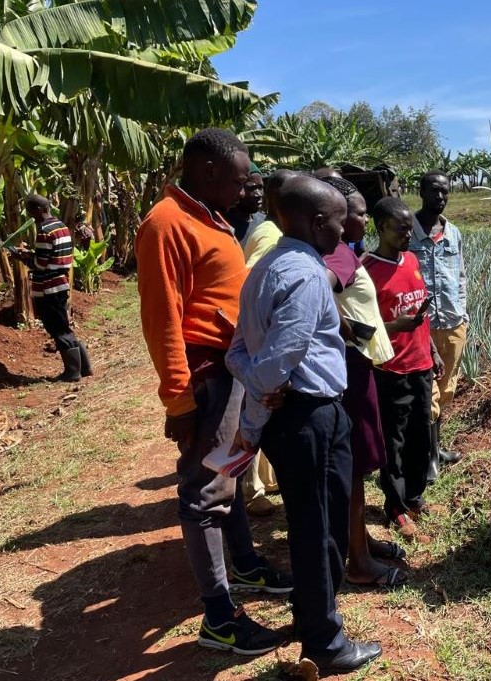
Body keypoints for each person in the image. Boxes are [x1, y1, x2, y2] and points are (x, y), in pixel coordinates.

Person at [136, 128, 290, 656]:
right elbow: (163, 319)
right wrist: (178, 400)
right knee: (205, 493)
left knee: (230, 471)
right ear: (207, 172)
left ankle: (244, 566)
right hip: (208, 376)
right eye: (239, 178)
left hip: (232, 370)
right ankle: (220, 618)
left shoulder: (209, 217)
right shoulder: (166, 224)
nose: (246, 187)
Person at [225, 175, 383, 673]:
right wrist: (264, 381)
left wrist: (255, 379)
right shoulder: (307, 273)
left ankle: (311, 613)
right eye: (339, 223)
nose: (345, 233)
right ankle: (324, 642)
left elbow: (237, 352)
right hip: (309, 416)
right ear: (316, 223)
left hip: (293, 415)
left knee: (312, 522)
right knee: (320, 528)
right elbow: (276, 362)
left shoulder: (264, 268)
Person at [321, 176, 407, 587]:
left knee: (355, 466)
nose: (360, 218)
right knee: (352, 467)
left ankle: (361, 541)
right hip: (351, 369)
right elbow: (315, 288)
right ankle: (358, 562)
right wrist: (340, 325)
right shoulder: (335, 255)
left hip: (356, 365)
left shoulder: (343, 251)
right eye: (355, 212)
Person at [362, 197, 444, 539]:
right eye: (400, 228)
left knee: (419, 435)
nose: (408, 234)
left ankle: (414, 495)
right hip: (389, 368)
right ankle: (395, 507)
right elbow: (361, 325)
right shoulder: (366, 269)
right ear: (381, 228)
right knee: (393, 442)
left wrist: (433, 349)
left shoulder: (410, 259)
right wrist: (397, 326)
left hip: (420, 363)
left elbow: (419, 312)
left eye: (410, 227)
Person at [237, 168, 298, 516]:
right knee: (258, 408)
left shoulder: (275, 230)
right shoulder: (270, 234)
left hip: (265, 340)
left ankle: (262, 481)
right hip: (262, 341)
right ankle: (253, 488)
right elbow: (253, 285)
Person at [409, 171, 467, 482]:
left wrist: (464, 315)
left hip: (453, 322)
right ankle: (428, 455)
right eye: (434, 191)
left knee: (445, 391)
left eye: (445, 192)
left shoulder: (454, 233)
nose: (440, 197)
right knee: (426, 394)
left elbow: (460, 277)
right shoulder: (408, 232)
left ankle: (437, 446)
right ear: (421, 192)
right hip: (423, 330)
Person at [13, 194, 92, 382]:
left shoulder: (44, 232)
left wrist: (23, 257)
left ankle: (72, 372)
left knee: (57, 327)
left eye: (31, 210)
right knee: (63, 325)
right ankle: (85, 367)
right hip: (61, 284)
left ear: (39, 210)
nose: (30, 214)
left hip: (48, 287)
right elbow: (53, 257)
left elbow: (40, 264)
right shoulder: (62, 227)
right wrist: (32, 254)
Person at [222, 163, 264, 243]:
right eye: (252, 188)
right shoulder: (222, 224)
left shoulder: (264, 223)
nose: (259, 194)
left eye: (260, 187)